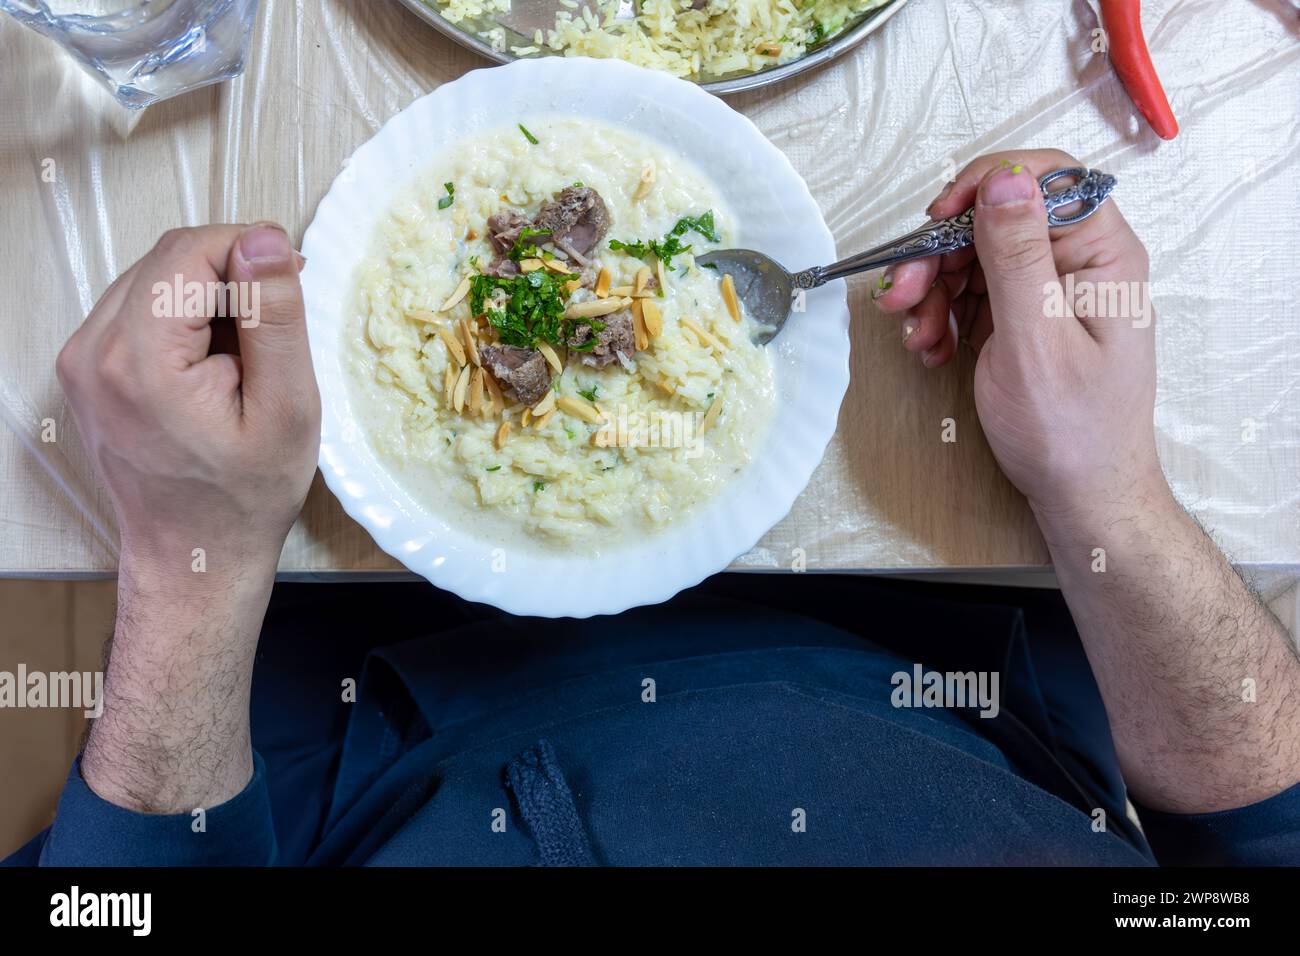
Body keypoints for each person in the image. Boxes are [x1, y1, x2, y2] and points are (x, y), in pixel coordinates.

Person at [6, 151, 1297, 867]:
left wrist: (191, 569)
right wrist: (1107, 489)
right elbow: (1267, 818)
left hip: (359, 677)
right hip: (950, 632)